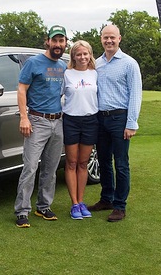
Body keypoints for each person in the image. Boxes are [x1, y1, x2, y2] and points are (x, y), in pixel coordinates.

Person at [14, 25, 68, 228]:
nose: (57, 44)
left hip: (58, 121)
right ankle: (22, 210)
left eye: (61, 41)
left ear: (65, 43)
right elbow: (21, 89)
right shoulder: (34, 63)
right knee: (30, 167)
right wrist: (23, 117)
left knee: (51, 168)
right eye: (54, 40)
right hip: (37, 121)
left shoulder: (63, 66)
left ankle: (43, 206)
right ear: (47, 41)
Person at [88, 24, 142, 222]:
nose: (109, 41)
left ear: (119, 39)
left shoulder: (129, 64)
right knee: (103, 162)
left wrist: (131, 123)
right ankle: (106, 199)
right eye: (105, 37)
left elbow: (135, 95)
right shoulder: (97, 64)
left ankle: (120, 205)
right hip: (101, 119)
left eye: (112, 37)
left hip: (120, 118)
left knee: (120, 163)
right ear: (101, 39)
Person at [61, 40, 98, 220]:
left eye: (86, 54)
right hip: (71, 121)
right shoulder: (67, 74)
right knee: (71, 163)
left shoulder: (95, 74)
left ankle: (81, 202)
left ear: (90, 54)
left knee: (83, 163)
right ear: (73, 57)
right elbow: (58, 96)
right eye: (78, 54)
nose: (82, 57)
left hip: (91, 120)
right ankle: (74, 204)